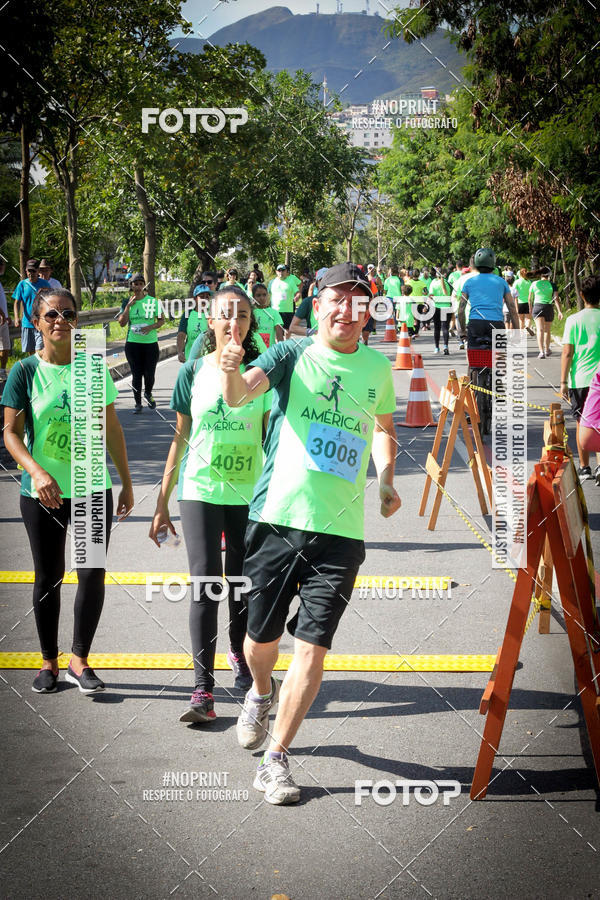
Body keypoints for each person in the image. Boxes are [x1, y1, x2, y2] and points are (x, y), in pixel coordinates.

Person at [220, 261, 401, 804]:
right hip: (277, 519)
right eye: (337, 300)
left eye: (359, 301)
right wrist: (231, 366)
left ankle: (276, 758)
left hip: (341, 533)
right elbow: (238, 397)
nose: (348, 310)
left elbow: (384, 431)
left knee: (313, 649)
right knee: (260, 644)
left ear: (370, 310)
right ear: (316, 305)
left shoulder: (377, 368)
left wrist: (387, 480)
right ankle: (258, 690)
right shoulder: (290, 353)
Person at [2, 288, 134, 694]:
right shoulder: (24, 371)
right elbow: (10, 433)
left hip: (92, 487)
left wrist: (126, 481)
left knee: (91, 573)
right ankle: (48, 662)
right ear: (37, 322)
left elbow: (111, 428)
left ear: (78, 322)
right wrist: (38, 473)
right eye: (52, 315)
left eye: (69, 315)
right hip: (42, 493)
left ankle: (80, 660)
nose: (61, 321)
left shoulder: (93, 366)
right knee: (49, 577)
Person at [150, 286, 271, 722]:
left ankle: (238, 654)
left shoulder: (261, 376)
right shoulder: (192, 372)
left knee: (240, 580)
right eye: (225, 314)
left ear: (250, 324)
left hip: (248, 493)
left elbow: (269, 439)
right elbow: (180, 438)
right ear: (210, 322)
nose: (233, 322)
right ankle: (202, 690)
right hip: (199, 489)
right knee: (204, 583)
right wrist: (162, 500)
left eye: (242, 315)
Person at [560, 274, 600, 482]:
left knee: (581, 422)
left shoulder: (573, 320)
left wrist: (564, 381)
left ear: (581, 295)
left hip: (581, 380)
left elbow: (567, 352)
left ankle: (584, 466)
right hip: (599, 380)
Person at [118, 273, 164, 412]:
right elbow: (121, 323)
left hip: (150, 344)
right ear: (131, 286)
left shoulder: (153, 302)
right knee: (136, 375)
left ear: (144, 285)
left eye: (140, 283)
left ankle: (148, 393)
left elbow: (161, 321)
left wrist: (149, 327)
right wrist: (128, 308)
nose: (137, 286)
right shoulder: (127, 302)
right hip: (133, 344)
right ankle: (138, 404)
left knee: (149, 374)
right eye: (135, 284)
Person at [458, 247, 519, 345]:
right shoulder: (502, 282)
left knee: (475, 359)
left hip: (475, 324)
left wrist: (463, 331)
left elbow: (461, 310)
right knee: (499, 359)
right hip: (496, 324)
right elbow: (512, 308)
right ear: (493, 263)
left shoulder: (469, 283)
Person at [12, 259, 51, 354]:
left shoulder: (45, 284)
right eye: (29, 271)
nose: (31, 273)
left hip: (40, 322)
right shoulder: (22, 284)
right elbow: (17, 302)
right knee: (31, 352)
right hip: (27, 323)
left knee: (40, 349)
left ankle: (40, 368)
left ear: (38, 271)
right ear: (26, 271)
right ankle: (33, 368)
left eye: (34, 271)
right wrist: (17, 318)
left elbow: (51, 301)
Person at [528, 266, 563, 358]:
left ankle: (541, 352)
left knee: (540, 330)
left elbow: (529, 299)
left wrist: (530, 309)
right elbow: (556, 299)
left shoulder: (534, 284)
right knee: (547, 330)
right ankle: (547, 350)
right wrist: (560, 311)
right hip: (548, 307)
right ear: (549, 275)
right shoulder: (552, 285)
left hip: (537, 307)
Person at [177, 284, 210, 362]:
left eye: (207, 297)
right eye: (201, 296)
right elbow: (181, 335)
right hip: (190, 360)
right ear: (195, 299)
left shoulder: (214, 314)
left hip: (208, 360)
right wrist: (180, 352)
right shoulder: (187, 314)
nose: (205, 299)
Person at [268, 264, 301, 331]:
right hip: (275, 310)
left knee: (287, 330)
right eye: (279, 270)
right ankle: (278, 341)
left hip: (288, 310)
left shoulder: (291, 281)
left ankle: (286, 341)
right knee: (277, 329)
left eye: (283, 270)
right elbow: (267, 294)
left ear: (286, 271)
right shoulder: (272, 282)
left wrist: (297, 296)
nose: (281, 272)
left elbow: (297, 292)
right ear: (276, 272)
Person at [251, 283, 284, 347]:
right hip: (254, 350)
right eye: (258, 295)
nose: (262, 298)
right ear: (253, 297)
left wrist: (281, 350)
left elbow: (279, 334)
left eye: (264, 295)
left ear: (267, 296)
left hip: (269, 351)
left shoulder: (274, 313)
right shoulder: (251, 313)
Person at [429, 267, 452, 354]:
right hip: (446, 306)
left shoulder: (433, 282)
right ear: (445, 274)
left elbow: (430, 295)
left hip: (436, 307)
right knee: (445, 328)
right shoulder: (447, 283)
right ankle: (446, 346)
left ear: (436, 274)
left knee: (437, 328)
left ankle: (437, 347)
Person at [0, 258, 11, 380]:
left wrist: (6, 316)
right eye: (2, 264)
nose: (4, 267)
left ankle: (2, 371)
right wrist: (3, 315)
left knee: (5, 346)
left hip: (3, 319)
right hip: (0, 318)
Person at [513, 268, 533, 333]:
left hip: (520, 303)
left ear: (519, 274)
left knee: (521, 319)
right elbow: (531, 292)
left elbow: (513, 292)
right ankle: (527, 326)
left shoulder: (517, 282)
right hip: (528, 302)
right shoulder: (529, 282)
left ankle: (521, 333)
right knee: (528, 318)